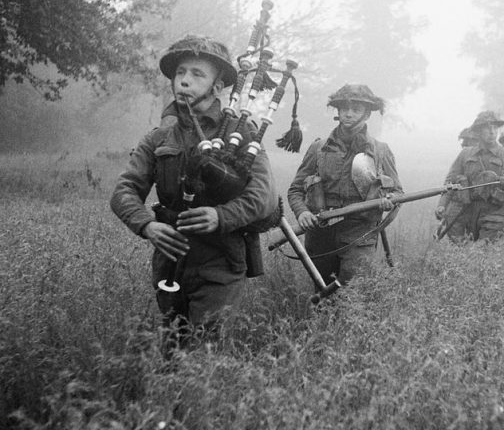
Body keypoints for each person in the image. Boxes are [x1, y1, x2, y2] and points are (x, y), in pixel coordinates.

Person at [110, 35, 278, 343]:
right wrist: (146, 225)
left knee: (204, 352)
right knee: (172, 346)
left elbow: (264, 198)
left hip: (221, 260)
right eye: (180, 72)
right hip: (170, 259)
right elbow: (124, 190)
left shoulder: (243, 134)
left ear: (217, 86)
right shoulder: (158, 139)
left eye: (197, 74)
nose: (184, 81)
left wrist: (221, 215)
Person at [287, 84, 402, 285]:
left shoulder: (381, 151)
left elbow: (398, 192)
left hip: (360, 233)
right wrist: (302, 213)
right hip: (320, 233)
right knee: (323, 294)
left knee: (354, 294)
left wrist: (390, 200)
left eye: (356, 110)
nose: (348, 114)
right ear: (338, 112)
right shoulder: (318, 148)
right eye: (344, 109)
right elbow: (295, 190)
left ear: (367, 115)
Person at [440, 111, 504, 241]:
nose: (492, 132)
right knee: (461, 248)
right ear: (479, 131)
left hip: (495, 214)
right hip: (467, 212)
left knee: (483, 250)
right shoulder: (465, 154)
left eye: (495, 128)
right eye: (487, 128)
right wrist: (442, 205)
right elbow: (450, 182)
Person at [434, 127, 477, 242]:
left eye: (473, 142)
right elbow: (449, 182)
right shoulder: (462, 157)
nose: (468, 145)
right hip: (457, 206)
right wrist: (442, 205)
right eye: (467, 142)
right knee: (457, 242)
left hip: (477, 208)